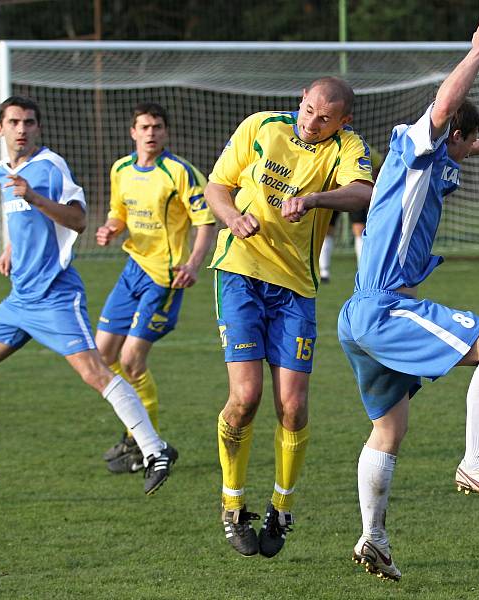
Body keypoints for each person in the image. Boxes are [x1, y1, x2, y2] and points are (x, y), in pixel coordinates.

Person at [337, 10, 479, 580]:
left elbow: (454, 140)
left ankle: (373, 538)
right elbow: (446, 113)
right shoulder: (418, 142)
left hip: (357, 315)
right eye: (466, 144)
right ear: (452, 136)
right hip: (385, 306)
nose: (464, 151)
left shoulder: (428, 161)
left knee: (390, 428)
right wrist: (478, 51)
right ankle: (476, 464)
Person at [0, 96, 176, 500]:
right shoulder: (3, 170)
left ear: (38, 128)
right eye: (14, 122)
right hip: (19, 299)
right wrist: (11, 247)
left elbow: (78, 220)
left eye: (29, 122)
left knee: (96, 373)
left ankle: (156, 451)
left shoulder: (50, 166)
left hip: (54, 295)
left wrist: (34, 197)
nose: (21, 129)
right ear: (0, 128)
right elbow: (19, 217)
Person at [205, 77, 374, 558]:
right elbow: (218, 185)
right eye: (308, 110)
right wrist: (232, 219)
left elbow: (364, 192)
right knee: (245, 397)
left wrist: (317, 199)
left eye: (325, 118)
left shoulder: (347, 146)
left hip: (295, 287)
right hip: (239, 272)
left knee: (293, 408)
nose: (312, 122)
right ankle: (233, 506)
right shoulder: (261, 126)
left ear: (344, 120)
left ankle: (282, 506)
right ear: (300, 99)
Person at [95, 102, 216, 474]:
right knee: (102, 354)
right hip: (132, 269)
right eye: (144, 127)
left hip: (164, 276)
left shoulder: (179, 172)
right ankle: (136, 430)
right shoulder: (121, 169)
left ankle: (146, 442)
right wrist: (111, 228)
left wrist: (194, 264)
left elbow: (206, 221)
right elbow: (119, 212)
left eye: (157, 127)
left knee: (131, 360)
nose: (151, 133)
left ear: (166, 132)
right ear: (133, 132)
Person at [317, 147, 382, 282]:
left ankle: (364, 270)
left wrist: (370, 185)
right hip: (333, 193)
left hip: (353, 194)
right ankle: (324, 272)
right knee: (326, 230)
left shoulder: (361, 146)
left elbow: (378, 165)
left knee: (359, 228)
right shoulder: (329, 146)